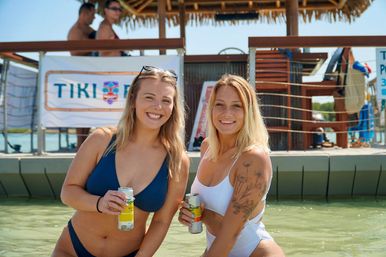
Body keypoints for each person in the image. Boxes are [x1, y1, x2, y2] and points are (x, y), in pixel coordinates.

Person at [52, 66, 189, 257]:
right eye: (149, 97)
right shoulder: (101, 139)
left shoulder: (177, 160)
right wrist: (99, 203)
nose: (158, 106)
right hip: (73, 249)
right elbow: (68, 192)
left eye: (166, 100)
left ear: (173, 107)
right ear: (133, 99)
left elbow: (162, 222)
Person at [178, 74, 285, 257]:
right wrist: (195, 214)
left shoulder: (253, 159)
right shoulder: (207, 148)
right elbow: (216, 220)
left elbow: (231, 233)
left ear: (248, 111)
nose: (227, 113)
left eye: (237, 106)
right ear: (211, 108)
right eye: (220, 104)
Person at [67, 2, 96, 149]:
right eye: (92, 14)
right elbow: (75, 52)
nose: (94, 17)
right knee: (81, 114)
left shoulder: (87, 29)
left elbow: (100, 39)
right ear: (85, 13)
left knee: (88, 113)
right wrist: (94, 45)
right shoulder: (76, 30)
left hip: (89, 74)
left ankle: (83, 146)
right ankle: (80, 148)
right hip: (80, 75)